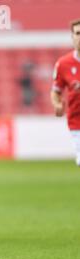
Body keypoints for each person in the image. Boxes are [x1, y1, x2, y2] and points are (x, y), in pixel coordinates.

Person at [51, 19, 80, 167]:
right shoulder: (63, 63)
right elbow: (56, 90)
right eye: (78, 33)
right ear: (72, 37)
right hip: (77, 123)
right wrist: (57, 103)